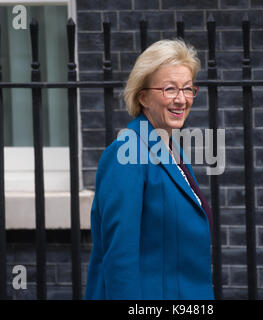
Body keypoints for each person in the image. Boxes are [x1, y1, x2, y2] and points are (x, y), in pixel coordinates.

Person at [84, 39, 214, 300]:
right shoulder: (126, 154)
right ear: (142, 96)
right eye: (169, 89)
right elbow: (120, 257)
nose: (181, 99)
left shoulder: (171, 149)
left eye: (188, 89)